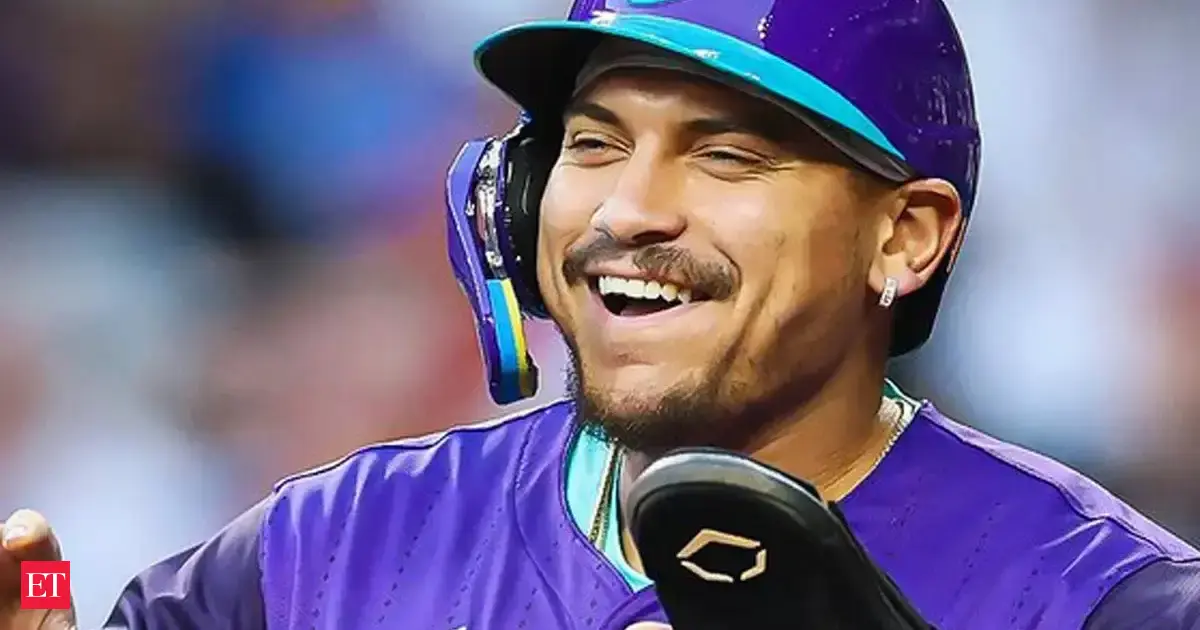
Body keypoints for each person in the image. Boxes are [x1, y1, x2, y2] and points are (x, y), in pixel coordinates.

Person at [3, 0, 1199, 628]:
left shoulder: (1102, 600)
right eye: (592, 144)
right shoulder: (324, 551)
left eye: (726, 156)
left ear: (905, 237)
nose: (630, 210)